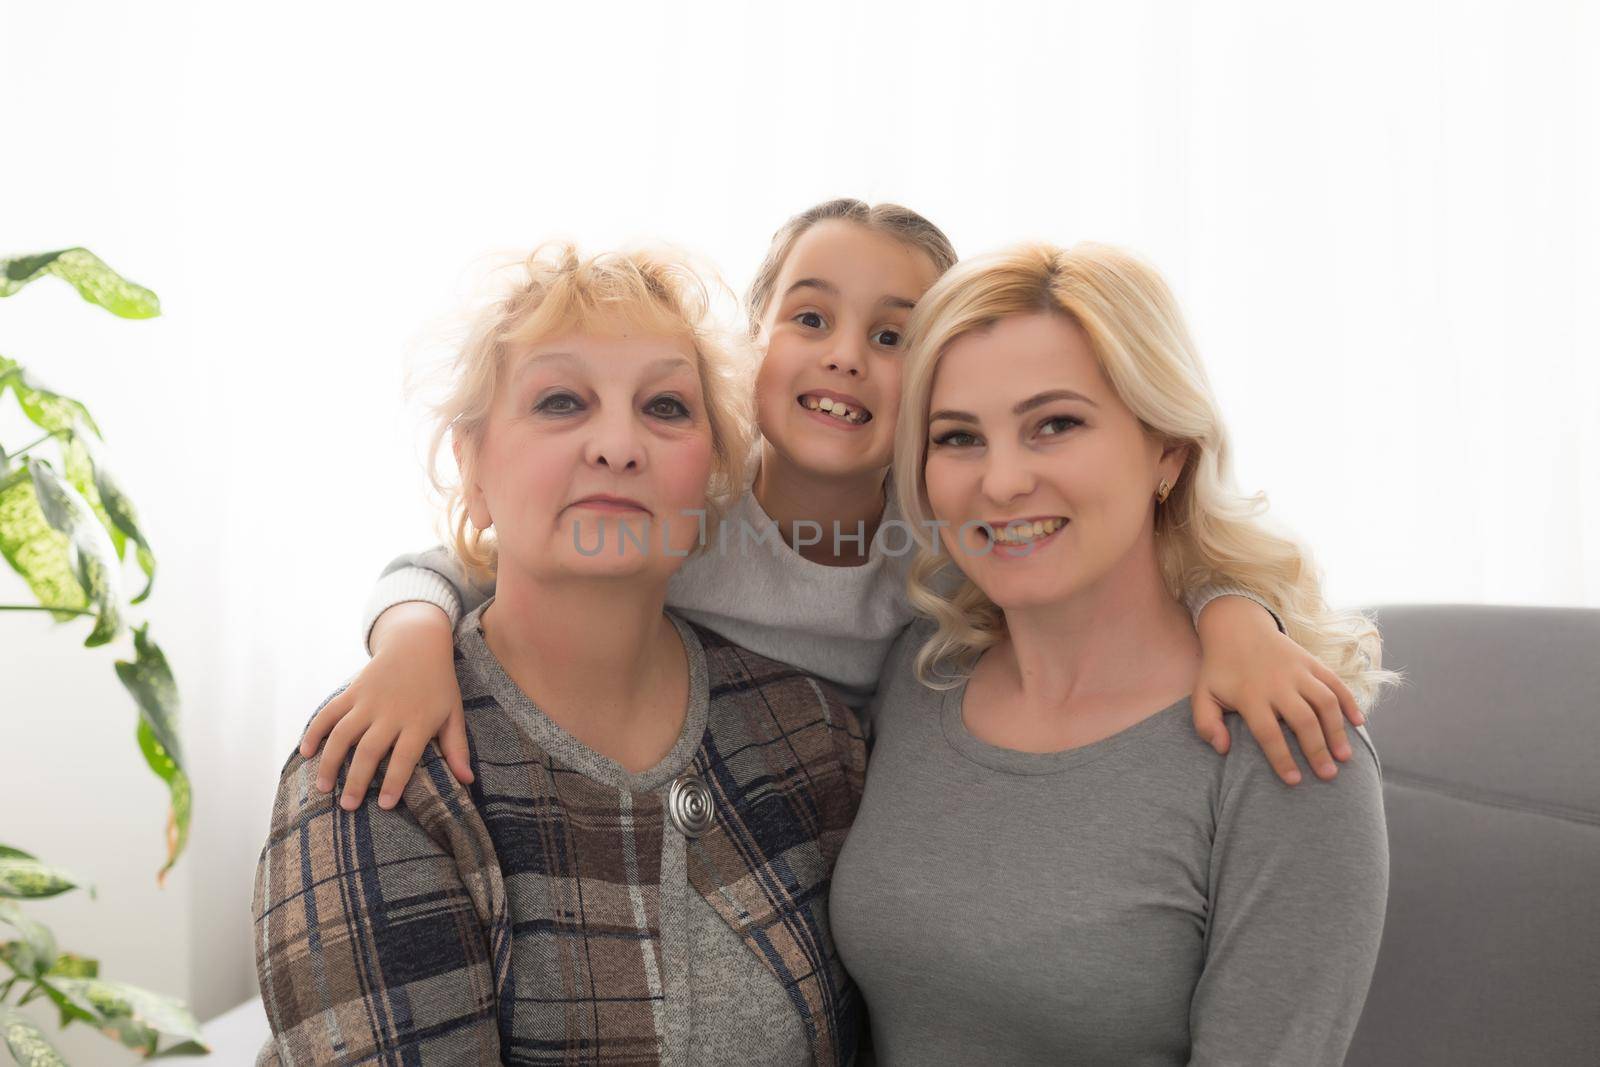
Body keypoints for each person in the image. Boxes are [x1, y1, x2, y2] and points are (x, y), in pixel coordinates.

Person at [301, 200, 1366, 821]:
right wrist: (409, 642)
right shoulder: (686, 505)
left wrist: (1239, 620)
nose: (846, 354)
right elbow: (464, 555)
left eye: (894, 335)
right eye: (809, 316)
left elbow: (1135, 558)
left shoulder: (955, 530)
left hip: (843, 827)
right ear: (750, 343)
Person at [252, 244, 866, 1065]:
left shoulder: (812, 729)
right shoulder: (376, 773)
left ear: (714, 473)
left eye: (667, 408)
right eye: (562, 400)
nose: (618, 443)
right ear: (470, 467)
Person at [829, 241, 1394, 1065]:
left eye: (1054, 424)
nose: (1003, 480)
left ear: (1167, 447)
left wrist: (1233, 607)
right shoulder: (923, 668)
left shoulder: (1287, 750)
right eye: (958, 437)